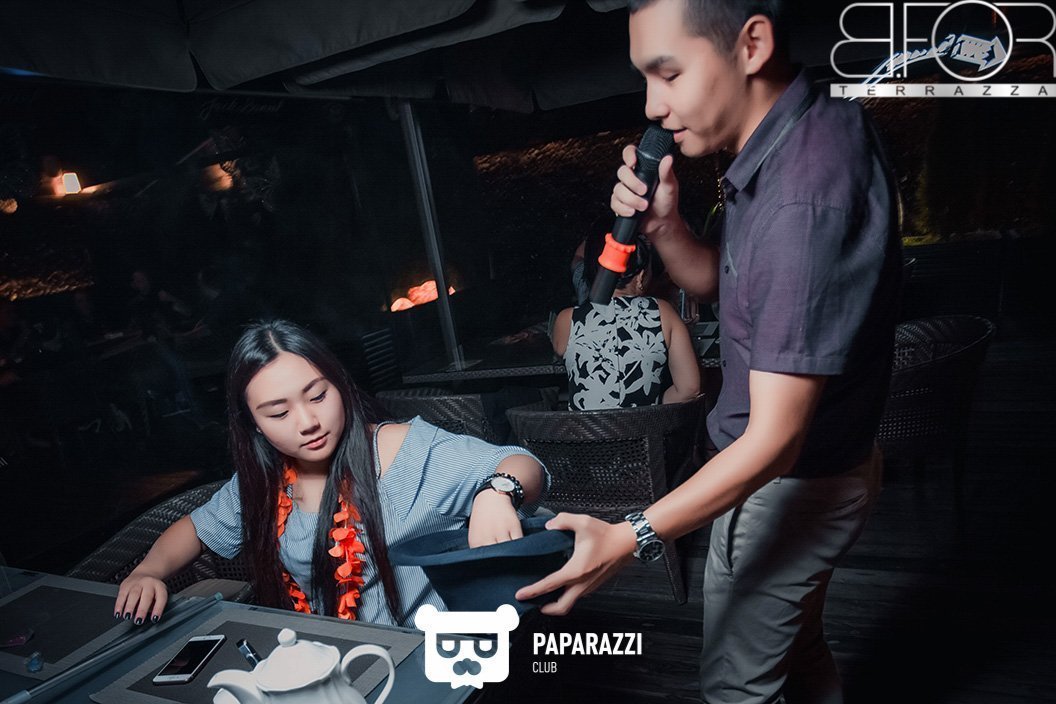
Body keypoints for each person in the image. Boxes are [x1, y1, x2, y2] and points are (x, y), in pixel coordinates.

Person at [516, 1, 903, 702]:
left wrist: (629, 536)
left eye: (668, 74)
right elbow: (725, 285)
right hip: (824, 467)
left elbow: (775, 441)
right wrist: (665, 226)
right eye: (644, 78)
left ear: (751, 44)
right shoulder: (800, 134)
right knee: (801, 648)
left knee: (735, 688)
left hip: (788, 485)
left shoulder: (799, 197)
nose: (652, 106)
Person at [114, 319, 549, 627]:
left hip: (428, 661)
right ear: (255, 426)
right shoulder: (267, 481)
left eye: (318, 396)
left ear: (338, 385)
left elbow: (524, 465)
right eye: (278, 413)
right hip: (334, 660)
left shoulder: (403, 451)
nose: (308, 422)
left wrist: (498, 491)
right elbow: (195, 529)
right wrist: (147, 571)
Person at [552, 232, 700, 410]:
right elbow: (690, 389)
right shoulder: (664, 313)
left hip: (585, 428)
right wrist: (653, 409)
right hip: (646, 427)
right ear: (641, 277)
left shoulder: (567, 319)